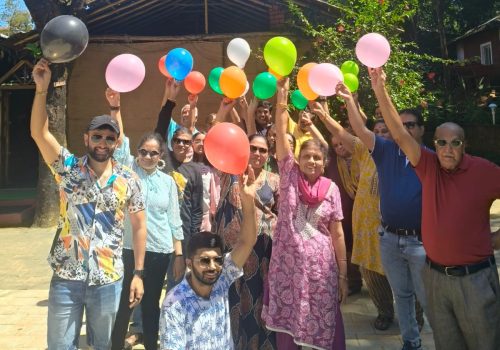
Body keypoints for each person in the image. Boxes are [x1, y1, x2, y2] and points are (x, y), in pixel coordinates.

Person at [369, 67, 500, 350]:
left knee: (484, 343)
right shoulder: (428, 167)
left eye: (455, 143)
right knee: (447, 344)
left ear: (465, 145)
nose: (448, 149)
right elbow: (400, 135)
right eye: (442, 143)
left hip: (474, 279)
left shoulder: (483, 171)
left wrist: (498, 237)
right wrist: (380, 89)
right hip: (436, 277)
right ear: (434, 145)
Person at [30, 59, 146, 350]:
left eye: (109, 137)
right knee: (59, 346)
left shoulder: (128, 179)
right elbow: (39, 134)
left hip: (108, 278)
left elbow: (140, 225)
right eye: (97, 136)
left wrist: (139, 274)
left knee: (104, 346)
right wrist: (41, 90)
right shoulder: (67, 169)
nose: (102, 142)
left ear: (116, 143)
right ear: (87, 138)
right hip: (67, 276)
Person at [337, 81, 428, 350]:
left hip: (420, 242)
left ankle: (432, 333)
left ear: (422, 129)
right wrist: (349, 101)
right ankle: (410, 342)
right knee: (401, 294)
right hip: (388, 238)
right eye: (403, 125)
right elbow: (359, 131)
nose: (407, 129)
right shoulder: (385, 153)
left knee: (424, 294)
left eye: (412, 125)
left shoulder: (431, 159)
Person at [262, 78, 347, 349]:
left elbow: (337, 233)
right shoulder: (289, 174)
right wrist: (282, 101)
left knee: (324, 323)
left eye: (317, 158)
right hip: (288, 269)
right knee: (288, 327)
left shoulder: (331, 188)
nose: (312, 160)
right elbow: (280, 131)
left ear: (324, 163)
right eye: (307, 156)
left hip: (321, 271)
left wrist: (343, 275)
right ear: (298, 158)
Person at [106, 89, 185, 350]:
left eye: (153, 153)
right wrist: (115, 108)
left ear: (161, 155)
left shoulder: (168, 182)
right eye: (144, 152)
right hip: (128, 250)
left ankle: (152, 344)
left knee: (151, 306)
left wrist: (179, 255)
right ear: (137, 152)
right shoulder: (127, 171)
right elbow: (119, 143)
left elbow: (175, 220)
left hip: (160, 252)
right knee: (125, 304)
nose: (148, 157)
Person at [311, 100, 398, 330]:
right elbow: (343, 133)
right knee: (371, 274)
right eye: (376, 132)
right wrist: (324, 117)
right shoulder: (364, 150)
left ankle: (415, 317)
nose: (379, 135)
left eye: (384, 131)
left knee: (402, 278)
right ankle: (385, 313)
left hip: (394, 230)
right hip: (366, 230)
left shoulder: (403, 153)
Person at [159, 167, 259, 350]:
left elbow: (247, 241)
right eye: (204, 261)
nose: (213, 266)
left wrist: (248, 200)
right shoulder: (175, 304)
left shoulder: (221, 280)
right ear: (189, 263)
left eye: (217, 260)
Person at [214, 133, 279, 349]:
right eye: (253, 148)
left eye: (263, 150)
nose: (258, 153)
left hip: (263, 257)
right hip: (233, 256)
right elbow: (215, 142)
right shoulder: (230, 173)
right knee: (232, 301)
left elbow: (280, 213)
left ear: (268, 154)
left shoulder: (274, 180)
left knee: (258, 302)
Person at [154, 78, 204, 255]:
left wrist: (193, 240)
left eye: (186, 142)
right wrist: (171, 99)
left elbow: (197, 209)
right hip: (159, 232)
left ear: (191, 145)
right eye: (177, 141)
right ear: (171, 142)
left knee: (178, 280)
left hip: (183, 238)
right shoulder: (164, 159)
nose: (182, 144)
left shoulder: (195, 171)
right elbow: (161, 126)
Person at [192, 131, 220, 232]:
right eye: (197, 141)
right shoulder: (186, 166)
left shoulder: (213, 169)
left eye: (204, 141)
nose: (201, 144)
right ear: (192, 144)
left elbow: (216, 192)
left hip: (206, 217)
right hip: (190, 216)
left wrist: (214, 213)